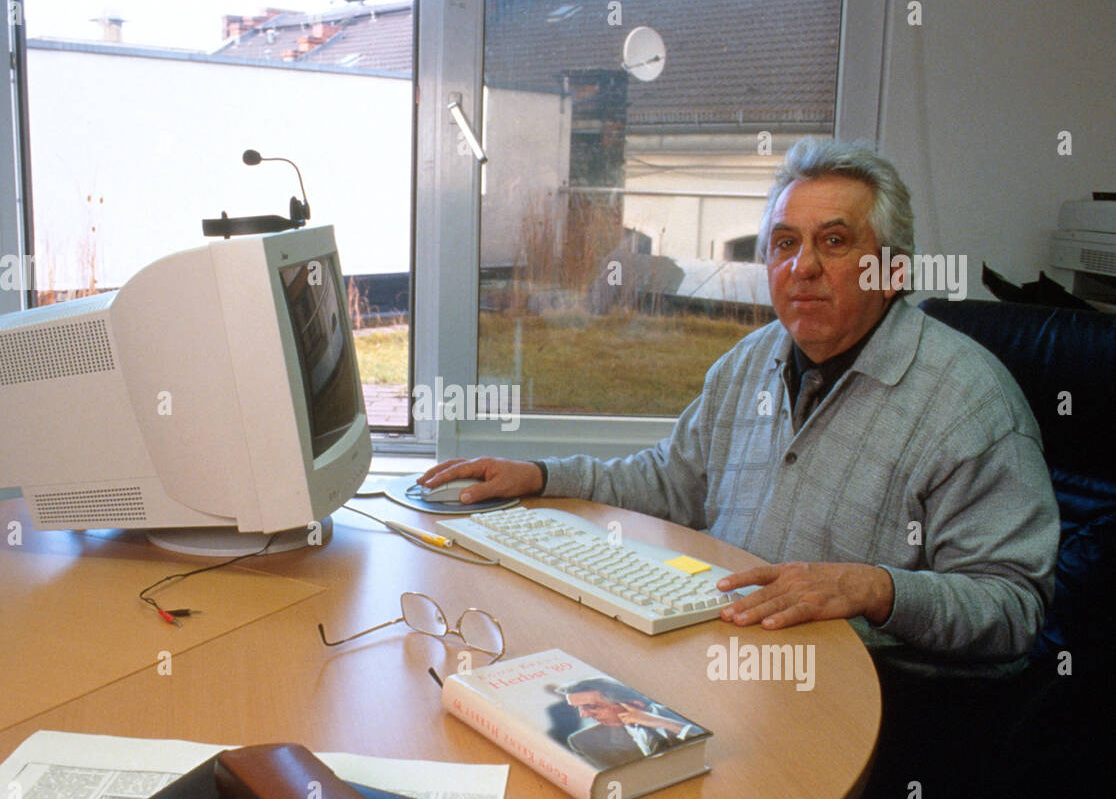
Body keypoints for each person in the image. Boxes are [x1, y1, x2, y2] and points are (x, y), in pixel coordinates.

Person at [419, 137, 1059, 674]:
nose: (802, 266)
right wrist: (540, 477)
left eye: (834, 242)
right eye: (784, 243)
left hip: (848, 696)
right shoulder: (751, 361)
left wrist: (876, 587)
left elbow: (1012, 607)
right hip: (711, 652)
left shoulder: (970, 405)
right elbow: (672, 484)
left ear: (892, 271)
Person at [554, 678, 700, 770]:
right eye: (578, 708)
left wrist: (661, 722)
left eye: (592, 706)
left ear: (634, 704)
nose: (584, 715)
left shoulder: (683, 704)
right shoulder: (583, 741)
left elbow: (701, 738)